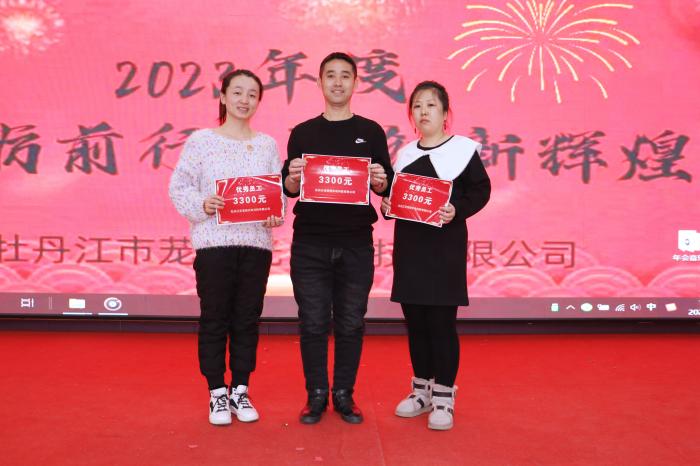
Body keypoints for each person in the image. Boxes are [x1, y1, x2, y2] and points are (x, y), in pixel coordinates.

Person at [281, 52, 393, 424]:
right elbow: (289, 188)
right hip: (310, 243)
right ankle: (316, 395)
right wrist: (292, 178)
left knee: (351, 322)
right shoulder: (303, 132)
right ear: (320, 82)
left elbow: (385, 184)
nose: (338, 82)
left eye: (346, 75)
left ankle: (344, 394)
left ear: (356, 82)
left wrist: (381, 181)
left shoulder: (371, 131)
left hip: (356, 242)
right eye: (331, 75)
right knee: (312, 322)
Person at [169, 69, 284, 426]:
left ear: (258, 101)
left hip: (256, 245)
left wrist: (274, 213)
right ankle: (217, 391)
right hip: (214, 245)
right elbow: (179, 186)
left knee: (247, 319)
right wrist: (202, 204)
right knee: (215, 318)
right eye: (237, 92)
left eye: (252, 94)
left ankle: (241, 389)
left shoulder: (267, 144)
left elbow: (275, 194)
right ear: (222, 96)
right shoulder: (202, 141)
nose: (244, 100)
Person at [381, 80, 491, 430]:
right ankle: (421, 391)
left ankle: (444, 395)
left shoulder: (463, 150)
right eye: (417, 106)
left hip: (444, 250)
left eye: (431, 105)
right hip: (410, 249)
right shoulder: (405, 154)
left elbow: (481, 191)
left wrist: (457, 210)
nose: (423, 111)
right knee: (415, 324)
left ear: (445, 113)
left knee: (441, 324)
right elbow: (396, 199)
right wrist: (387, 206)